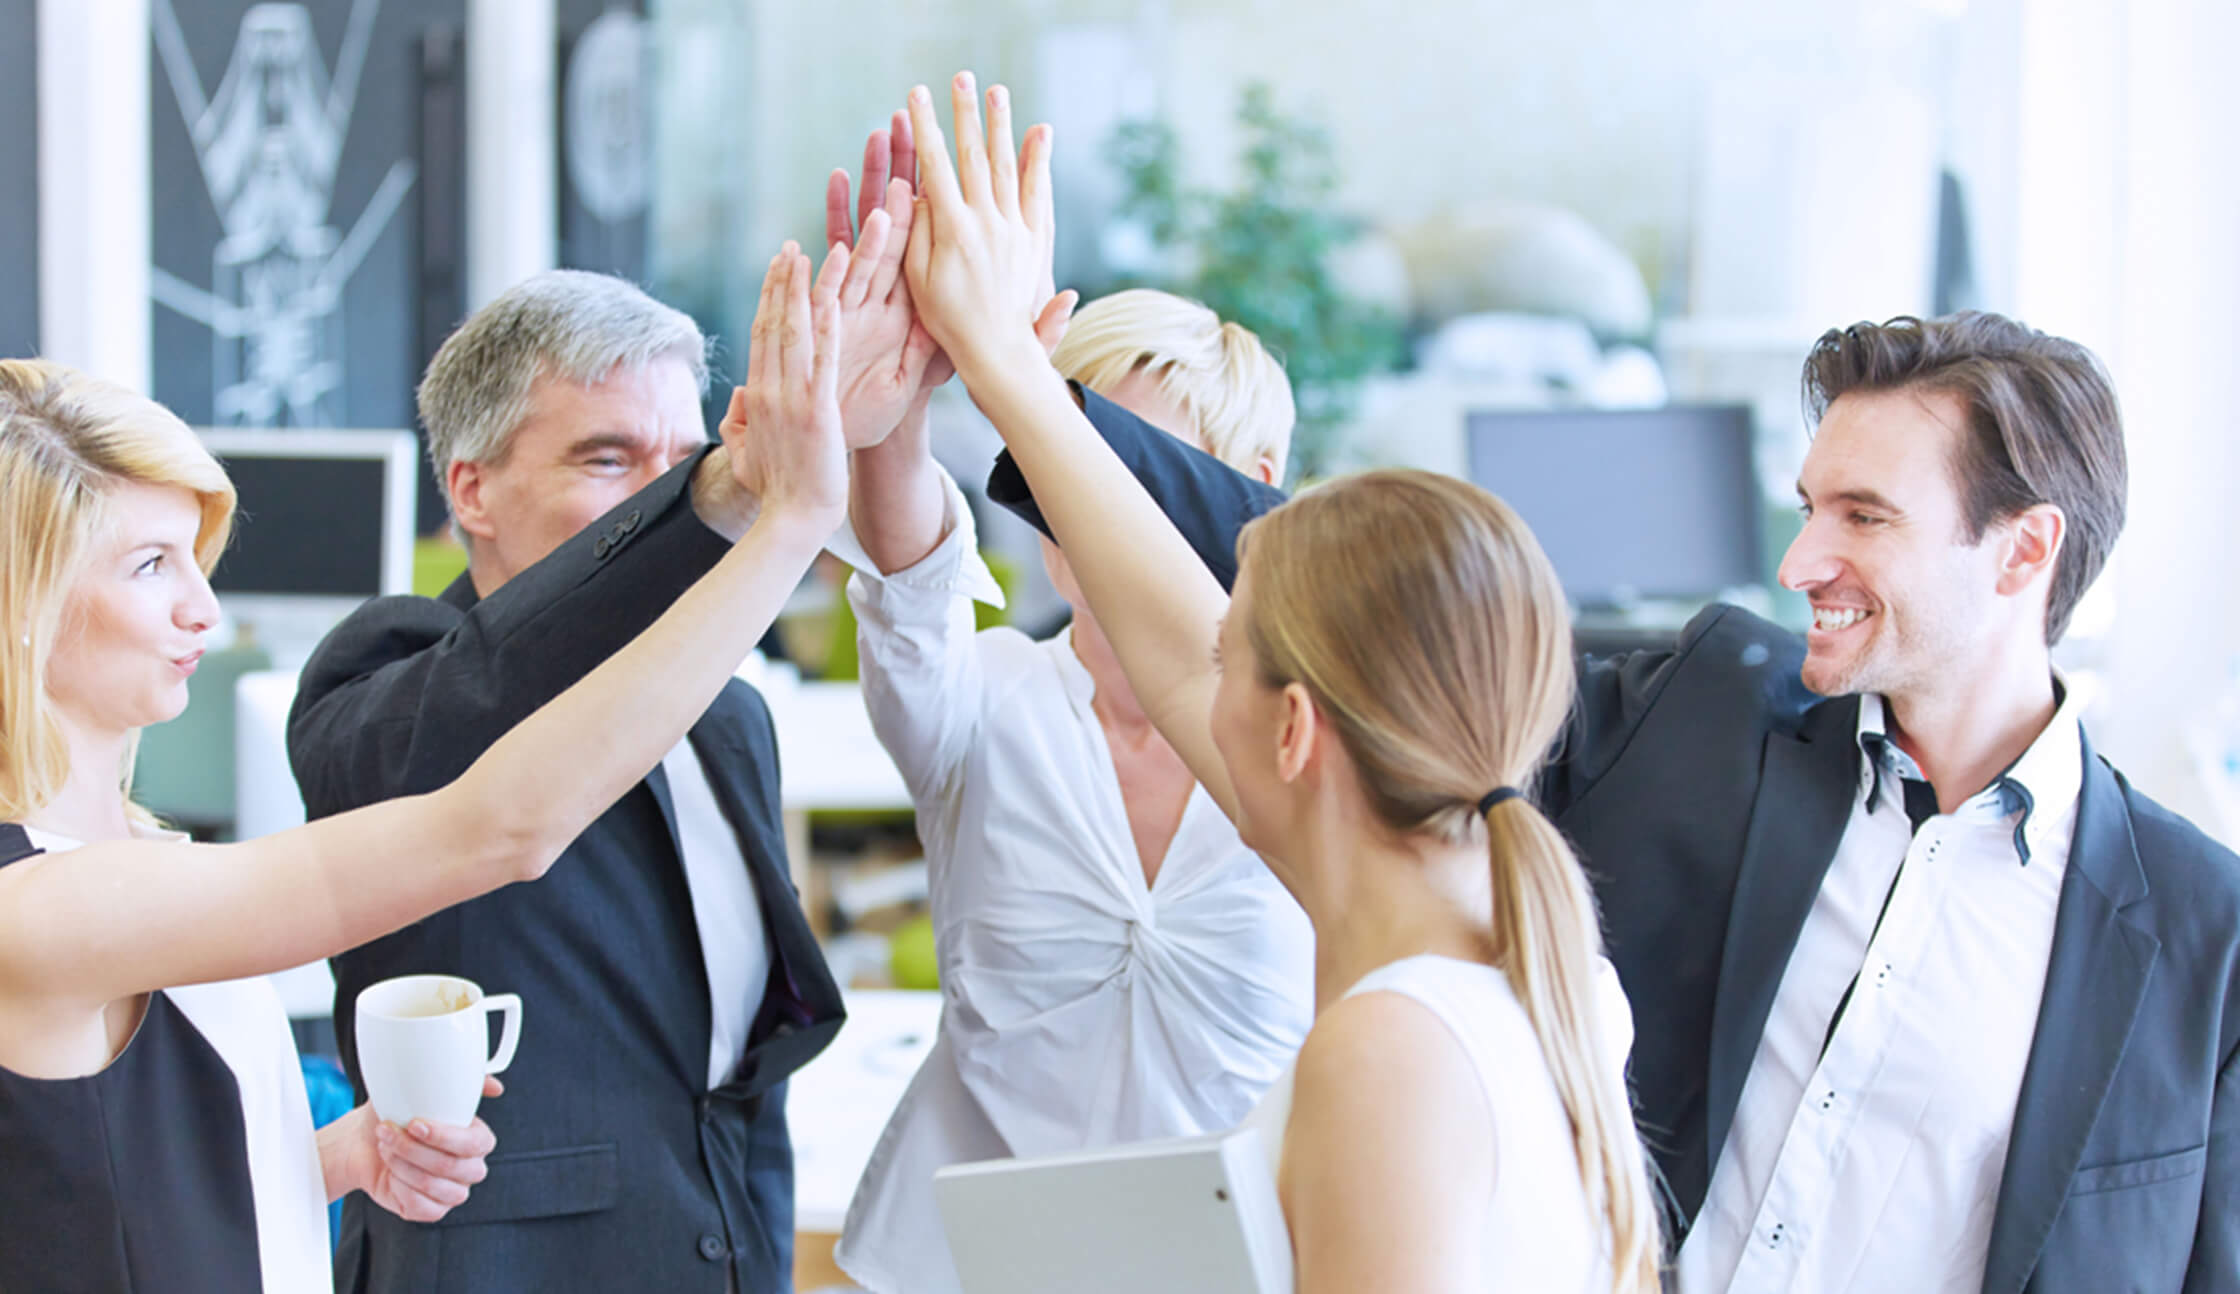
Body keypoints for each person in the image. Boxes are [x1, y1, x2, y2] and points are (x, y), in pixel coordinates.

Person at [953, 102, 2240, 1291]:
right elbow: (1334, 620)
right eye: (1805, 509)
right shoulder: (1709, 717)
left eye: (1863, 516)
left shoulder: (2199, 933)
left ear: (2023, 551)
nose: (1798, 563)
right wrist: (1019, 385)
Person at [893, 74, 1661, 1293]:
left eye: (1224, 649)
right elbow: (1160, 613)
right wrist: (1002, 375)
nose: (1191, 665)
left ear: (1292, 726)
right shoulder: (1524, 967)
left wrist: (1011, 372)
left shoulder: (1388, 1053)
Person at [0, 239, 850, 1294]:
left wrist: (334, 1157)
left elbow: (113, 1185)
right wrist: (784, 519)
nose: (203, 609)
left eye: (192, 559)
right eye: (147, 565)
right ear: (23, 604)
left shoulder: (131, 850)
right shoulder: (39, 902)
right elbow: (499, 827)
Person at [284, 216, 944, 1292]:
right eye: (608, 459)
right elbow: (506, 688)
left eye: (683, 461)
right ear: (471, 491)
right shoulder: (389, 676)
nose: (662, 497)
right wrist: (740, 496)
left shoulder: (731, 718)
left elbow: (733, 1071)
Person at [833, 286, 1315, 1294]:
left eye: (1123, 468)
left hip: (1242, 1267)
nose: (1082, 502)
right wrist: (898, 395)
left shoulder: (1316, 744)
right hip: (966, 1265)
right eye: (1055, 459)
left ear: (1252, 485)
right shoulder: (983, 700)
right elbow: (910, 573)